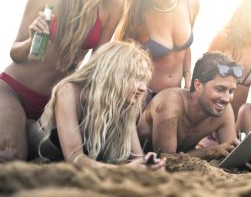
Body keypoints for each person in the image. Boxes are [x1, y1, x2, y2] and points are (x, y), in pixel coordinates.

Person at [0, 0, 128, 161]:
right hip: (14, 91)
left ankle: (24, 128)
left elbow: (95, 66)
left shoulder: (114, 5)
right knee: (11, 156)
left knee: (51, 153)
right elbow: (15, 54)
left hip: (54, 103)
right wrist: (31, 39)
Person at [27, 41, 165, 170]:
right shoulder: (69, 92)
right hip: (35, 149)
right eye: (136, 78)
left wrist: (148, 164)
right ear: (115, 74)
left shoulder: (126, 103)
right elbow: (74, 158)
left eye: (144, 80)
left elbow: (137, 157)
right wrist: (122, 170)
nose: (143, 88)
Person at [137, 52, 244, 161]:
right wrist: (212, 151)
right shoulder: (169, 103)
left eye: (231, 91)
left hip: (184, 161)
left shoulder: (224, 109)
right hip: (139, 162)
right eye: (220, 89)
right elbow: (166, 160)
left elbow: (231, 155)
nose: (226, 99)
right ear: (198, 85)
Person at [115, 0, 200, 99]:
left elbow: (185, 47)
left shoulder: (190, 2)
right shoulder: (137, 17)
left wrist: (188, 77)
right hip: (144, 95)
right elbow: (120, 60)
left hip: (177, 94)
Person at [208, 0, 251, 119]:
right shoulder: (224, 37)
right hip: (210, 115)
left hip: (237, 119)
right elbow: (202, 75)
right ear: (244, 13)